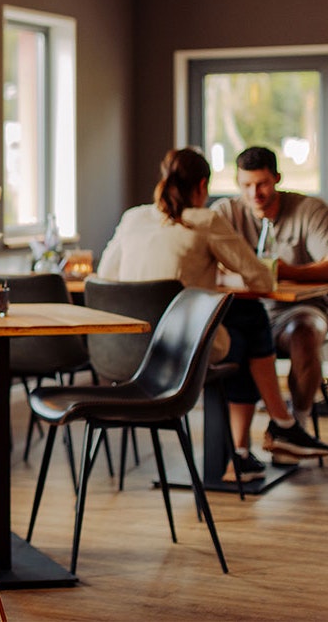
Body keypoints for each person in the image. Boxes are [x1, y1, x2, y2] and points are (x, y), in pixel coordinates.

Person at [97, 148, 328, 483]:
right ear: (203, 185)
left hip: (123, 350)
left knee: (243, 322)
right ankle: (272, 433)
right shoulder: (205, 220)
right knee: (248, 324)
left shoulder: (134, 217)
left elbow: (105, 276)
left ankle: (247, 451)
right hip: (182, 350)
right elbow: (262, 278)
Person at [213, 145, 328, 462]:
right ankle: (239, 451)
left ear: (277, 178)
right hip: (247, 312)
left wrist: (278, 271)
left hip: (298, 311)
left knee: (306, 332)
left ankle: (296, 425)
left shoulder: (309, 210)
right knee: (235, 336)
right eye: (246, 185)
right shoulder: (227, 212)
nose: (255, 193)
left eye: (262, 184)